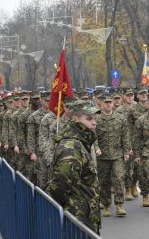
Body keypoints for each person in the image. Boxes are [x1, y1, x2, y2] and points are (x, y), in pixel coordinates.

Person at [46, 100, 101, 234]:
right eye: (89, 119)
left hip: (82, 214)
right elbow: (60, 185)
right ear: (75, 119)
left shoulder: (80, 141)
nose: (94, 123)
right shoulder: (73, 146)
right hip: (76, 218)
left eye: (94, 119)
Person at [94, 94, 130, 217]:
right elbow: (94, 137)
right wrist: (97, 148)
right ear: (102, 104)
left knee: (119, 178)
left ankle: (119, 205)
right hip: (102, 156)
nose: (109, 104)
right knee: (104, 181)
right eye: (106, 102)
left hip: (117, 155)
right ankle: (106, 205)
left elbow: (125, 136)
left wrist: (126, 151)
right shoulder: (97, 119)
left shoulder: (120, 118)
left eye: (110, 102)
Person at [127, 84, 149, 198]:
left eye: (145, 93)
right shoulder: (132, 110)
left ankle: (146, 196)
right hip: (137, 142)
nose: (144, 95)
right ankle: (133, 184)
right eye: (141, 94)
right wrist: (129, 145)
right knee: (136, 168)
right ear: (138, 96)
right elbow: (129, 129)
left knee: (148, 170)